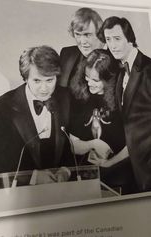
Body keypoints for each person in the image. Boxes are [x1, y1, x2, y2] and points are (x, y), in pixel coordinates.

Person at [0, 45, 110, 186]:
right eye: (37, 81)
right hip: (22, 198)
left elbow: (72, 147)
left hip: (62, 192)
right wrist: (32, 178)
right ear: (25, 78)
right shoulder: (0, 108)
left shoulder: (66, 98)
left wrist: (66, 170)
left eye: (50, 80)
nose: (44, 88)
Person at [69, 49, 137, 194]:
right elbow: (73, 145)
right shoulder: (82, 100)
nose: (89, 84)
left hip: (121, 180)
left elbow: (134, 145)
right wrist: (93, 144)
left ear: (110, 80)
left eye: (96, 80)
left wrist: (108, 163)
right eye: (87, 78)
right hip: (89, 180)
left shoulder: (123, 103)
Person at [97, 16, 151, 192]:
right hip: (136, 170)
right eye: (108, 40)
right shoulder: (121, 73)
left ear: (130, 39)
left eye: (117, 39)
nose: (112, 45)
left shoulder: (149, 70)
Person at [58, 7, 104, 88]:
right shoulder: (66, 53)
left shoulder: (113, 60)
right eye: (78, 34)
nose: (82, 41)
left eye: (87, 35)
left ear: (99, 33)